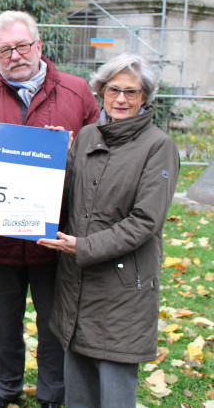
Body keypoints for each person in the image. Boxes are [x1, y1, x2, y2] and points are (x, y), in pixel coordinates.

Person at [0, 11, 100, 408]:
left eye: (22, 46)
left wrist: (74, 151)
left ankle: (52, 394)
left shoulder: (77, 92)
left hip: (55, 235)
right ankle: (5, 389)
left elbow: (101, 160)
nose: (15, 55)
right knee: (5, 323)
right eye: (5, 49)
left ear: (39, 46)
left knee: (53, 322)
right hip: (1, 233)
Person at [38, 53, 179, 407]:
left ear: (145, 97)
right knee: (79, 388)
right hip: (76, 283)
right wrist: (51, 156)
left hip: (121, 288)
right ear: (101, 91)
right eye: (113, 89)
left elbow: (145, 221)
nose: (120, 99)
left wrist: (83, 247)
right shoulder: (86, 137)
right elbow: (63, 196)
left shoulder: (158, 147)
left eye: (131, 92)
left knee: (115, 387)